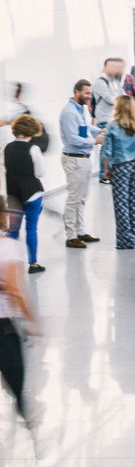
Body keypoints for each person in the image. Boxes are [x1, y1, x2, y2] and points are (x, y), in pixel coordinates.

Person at [0, 203, 37, 427]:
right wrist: (30, 321)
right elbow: (15, 290)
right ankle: (21, 406)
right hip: (4, 323)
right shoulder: (7, 248)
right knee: (15, 370)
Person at [59, 79, 103, 248]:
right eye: (86, 93)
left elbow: (84, 128)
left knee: (82, 198)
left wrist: (99, 130)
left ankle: (81, 231)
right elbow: (73, 138)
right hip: (74, 159)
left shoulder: (80, 110)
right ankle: (71, 236)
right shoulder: (69, 112)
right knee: (73, 198)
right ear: (77, 92)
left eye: (90, 93)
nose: (89, 96)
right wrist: (94, 141)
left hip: (83, 158)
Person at [101, 98, 135, 252]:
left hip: (120, 167)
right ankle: (133, 238)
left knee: (121, 204)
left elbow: (107, 151)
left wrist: (106, 170)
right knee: (134, 203)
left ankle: (125, 239)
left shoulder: (113, 126)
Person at [3, 116, 46, 273]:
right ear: (32, 130)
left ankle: (9, 264)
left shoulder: (6, 148)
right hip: (32, 194)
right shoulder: (33, 149)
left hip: (13, 195)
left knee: (13, 230)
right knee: (31, 229)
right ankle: (33, 264)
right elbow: (40, 173)